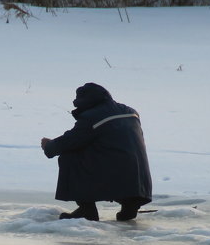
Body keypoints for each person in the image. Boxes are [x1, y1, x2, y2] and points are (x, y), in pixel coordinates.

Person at [40, 82, 152, 221]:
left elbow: (71, 141)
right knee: (116, 158)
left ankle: (87, 209)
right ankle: (130, 205)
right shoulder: (130, 112)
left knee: (69, 156)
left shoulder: (93, 116)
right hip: (138, 176)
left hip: (115, 169)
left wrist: (49, 146)